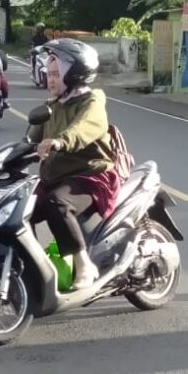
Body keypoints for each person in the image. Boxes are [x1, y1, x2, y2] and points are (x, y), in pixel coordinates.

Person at [26, 38, 119, 290]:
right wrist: (3, 160)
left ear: (74, 74)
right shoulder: (51, 106)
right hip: (56, 177)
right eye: (49, 74)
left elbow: (85, 128)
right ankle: (33, 267)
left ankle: (84, 264)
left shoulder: (92, 101)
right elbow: (28, 141)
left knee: (57, 203)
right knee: (20, 206)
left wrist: (60, 141)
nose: (50, 79)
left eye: (56, 74)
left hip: (89, 176)